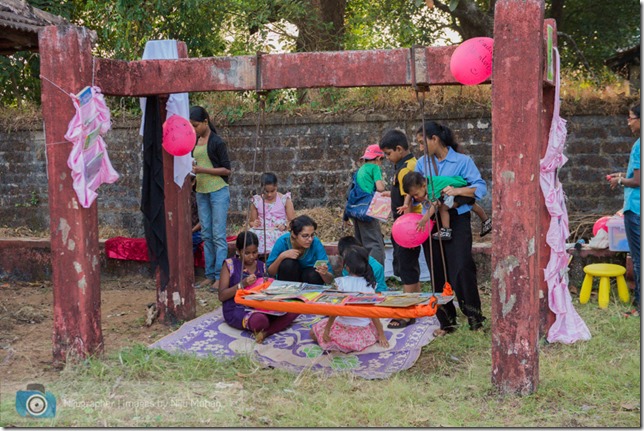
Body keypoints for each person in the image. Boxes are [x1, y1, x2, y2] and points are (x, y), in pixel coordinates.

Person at [414, 120, 488, 336]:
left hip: (456, 218)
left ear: (434, 139)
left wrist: (458, 191)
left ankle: (474, 318)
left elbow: (480, 187)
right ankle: (447, 323)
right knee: (437, 270)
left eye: (422, 142)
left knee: (462, 267)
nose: (420, 148)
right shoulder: (422, 164)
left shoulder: (462, 161)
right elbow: (417, 189)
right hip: (431, 219)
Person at [379, 129, 424, 328]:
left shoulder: (407, 168)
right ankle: (416, 303)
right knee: (409, 265)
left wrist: (405, 225)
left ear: (399, 149)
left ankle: (407, 313)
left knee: (407, 266)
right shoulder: (408, 165)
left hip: (407, 226)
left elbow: (414, 197)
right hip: (407, 225)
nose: (387, 158)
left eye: (388, 153)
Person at [219, 231, 298, 343]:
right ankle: (269, 326)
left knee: (294, 308)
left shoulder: (261, 266)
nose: (252, 257)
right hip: (238, 308)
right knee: (260, 321)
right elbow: (222, 296)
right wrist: (242, 284)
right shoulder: (229, 265)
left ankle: (266, 333)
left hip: (260, 305)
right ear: (238, 251)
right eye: (247, 253)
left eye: (255, 252)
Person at [310, 246, 389, 353]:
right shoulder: (369, 285)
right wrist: (381, 334)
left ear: (346, 266)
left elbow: (335, 310)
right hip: (361, 330)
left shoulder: (340, 283)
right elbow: (373, 314)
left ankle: (338, 344)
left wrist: (327, 329)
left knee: (313, 333)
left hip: (342, 325)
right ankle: (348, 345)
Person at [190, 106, 231, 291]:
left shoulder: (217, 142)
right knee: (206, 234)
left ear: (206, 121)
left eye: (196, 125)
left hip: (218, 191)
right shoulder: (195, 141)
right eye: (191, 126)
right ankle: (209, 275)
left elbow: (227, 169)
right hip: (202, 191)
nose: (194, 129)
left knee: (219, 236)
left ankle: (219, 277)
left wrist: (202, 170)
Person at [608, 103, 640, 317]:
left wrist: (620, 181)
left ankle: (639, 307)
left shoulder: (639, 145)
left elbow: (637, 181)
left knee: (638, 259)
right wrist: (622, 175)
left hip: (636, 208)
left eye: (631, 118)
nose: (628, 122)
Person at [345, 144, 388, 266]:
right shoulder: (375, 168)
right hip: (368, 209)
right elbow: (380, 188)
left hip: (356, 211)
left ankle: (362, 271)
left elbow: (349, 193)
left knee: (361, 242)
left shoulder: (359, 170)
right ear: (378, 158)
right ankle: (376, 273)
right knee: (375, 243)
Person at [266, 215, 334, 285]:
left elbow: (330, 280)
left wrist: (324, 273)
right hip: (289, 283)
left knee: (312, 274)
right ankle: (289, 294)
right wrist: (282, 256)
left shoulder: (315, 243)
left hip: (309, 281)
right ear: (294, 234)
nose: (310, 239)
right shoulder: (283, 241)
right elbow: (270, 272)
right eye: (305, 236)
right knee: (288, 264)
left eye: (312, 235)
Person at [249, 172, 296, 256]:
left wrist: (285, 226)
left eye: (272, 191)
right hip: (261, 231)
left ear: (276, 186)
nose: (269, 194)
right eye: (266, 191)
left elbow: (293, 222)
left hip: (278, 231)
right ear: (262, 188)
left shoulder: (285, 200)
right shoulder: (256, 200)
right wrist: (254, 223)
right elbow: (251, 222)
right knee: (250, 237)